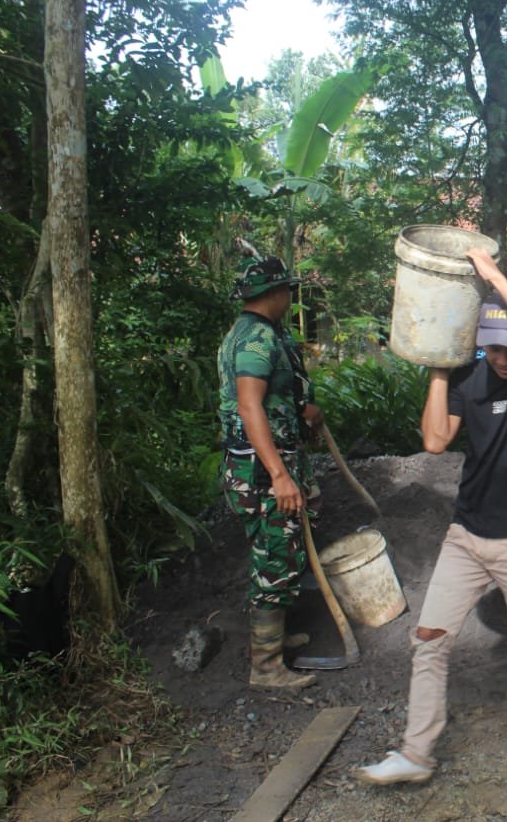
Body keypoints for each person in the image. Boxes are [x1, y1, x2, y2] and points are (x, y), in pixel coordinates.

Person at [354, 249, 507, 786]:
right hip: (466, 536)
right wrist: (439, 367)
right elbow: (433, 441)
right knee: (428, 639)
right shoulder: (469, 380)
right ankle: (416, 753)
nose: (503, 358)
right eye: (493, 347)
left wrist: (494, 277)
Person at [217, 248, 323, 691]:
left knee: (280, 553)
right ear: (276, 293)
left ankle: (272, 639)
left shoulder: (262, 332)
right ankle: (265, 667)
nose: (290, 299)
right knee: (275, 559)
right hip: (261, 472)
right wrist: (279, 474)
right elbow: (248, 405)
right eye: (287, 292)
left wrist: (305, 414)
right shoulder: (256, 339)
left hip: (273, 461)